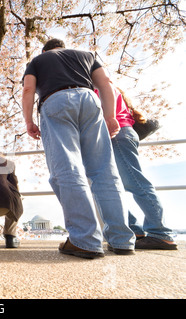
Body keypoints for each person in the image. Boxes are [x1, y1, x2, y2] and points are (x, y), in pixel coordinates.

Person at [22, 38, 135, 259]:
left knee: (68, 169)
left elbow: (28, 89)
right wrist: (110, 116)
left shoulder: (38, 60)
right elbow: (106, 83)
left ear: (46, 50)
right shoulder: (87, 55)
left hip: (55, 101)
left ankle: (85, 240)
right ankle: (122, 240)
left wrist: (28, 121)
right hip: (89, 99)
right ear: (63, 47)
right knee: (105, 171)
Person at [95, 86, 177, 250]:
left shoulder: (99, 87)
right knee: (115, 185)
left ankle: (161, 233)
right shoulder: (110, 88)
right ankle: (134, 230)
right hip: (121, 134)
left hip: (117, 135)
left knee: (135, 183)